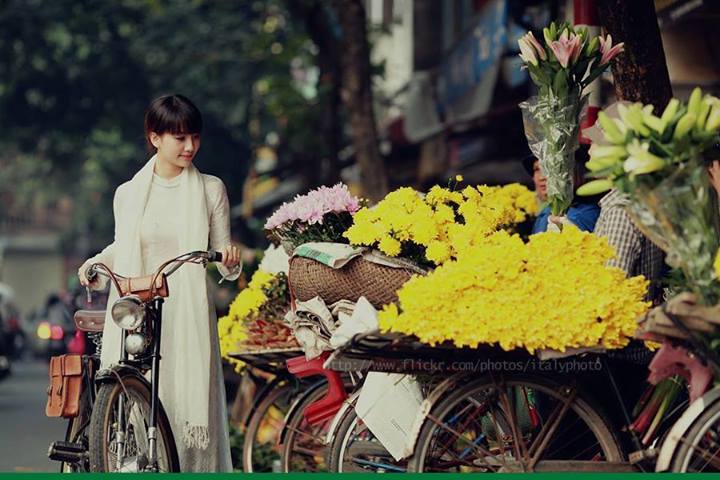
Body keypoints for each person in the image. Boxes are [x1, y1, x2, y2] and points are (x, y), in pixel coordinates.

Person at [78, 94, 241, 472]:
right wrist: (95, 263)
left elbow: (221, 254)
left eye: (194, 137)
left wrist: (230, 261)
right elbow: (123, 246)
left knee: (187, 408)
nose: (190, 147)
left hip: (187, 311)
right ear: (155, 138)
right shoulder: (128, 193)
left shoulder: (210, 189)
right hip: (138, 306)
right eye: (179, 138)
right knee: (135, 400)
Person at [525, 145, 601, 234]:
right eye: (537, 169)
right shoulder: (546, 212)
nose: (542, 177)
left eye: (550, 168)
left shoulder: (579, 217)